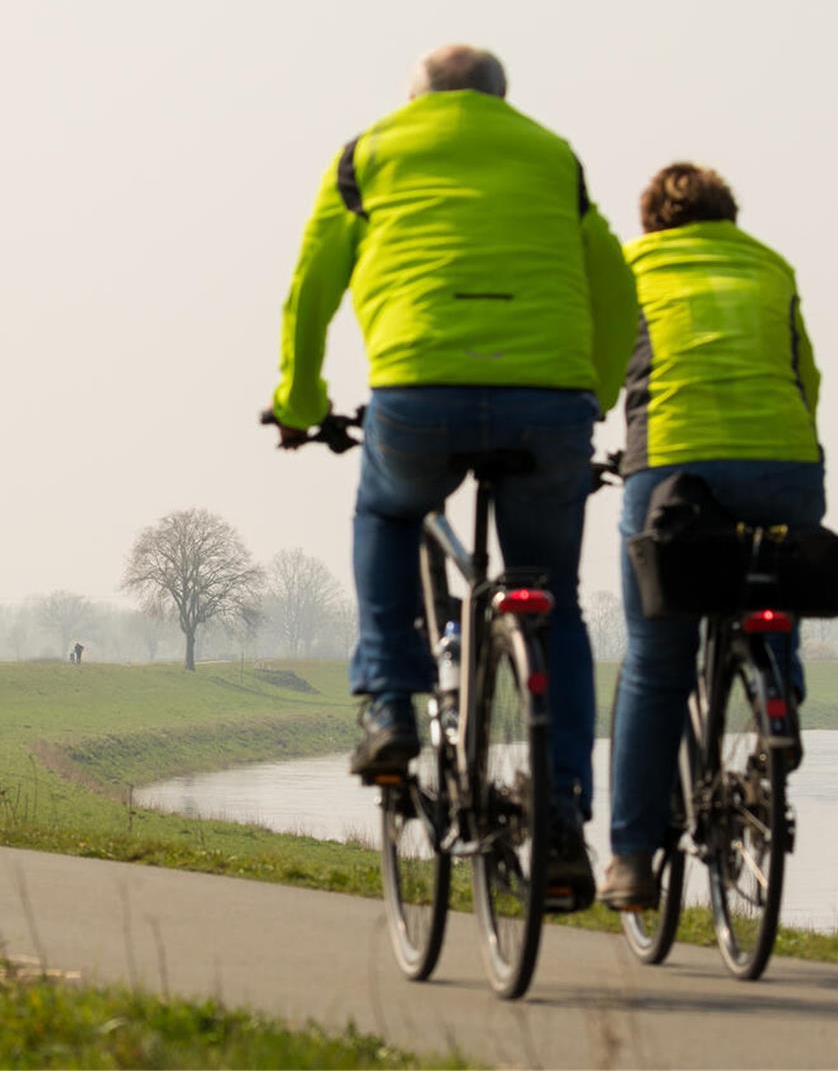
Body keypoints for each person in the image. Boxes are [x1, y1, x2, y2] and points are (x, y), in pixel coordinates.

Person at [269, 44, 637, 905]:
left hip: (419, 389)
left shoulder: (369, 153)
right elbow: (615, 285)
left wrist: (299, 400)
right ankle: (561, 819)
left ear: (417, 98)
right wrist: (595, 390)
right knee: (555, 604)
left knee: (390, 514)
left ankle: (392, 703)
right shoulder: (553, 155)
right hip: (548, 399)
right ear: (501, 99)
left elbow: (313, 282)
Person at [600, 163, 826, 909]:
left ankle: (632, 861)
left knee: (657, 661)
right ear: (729, 217)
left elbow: (602, 366)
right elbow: (806, 375)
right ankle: (777, 702)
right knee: (771, 582)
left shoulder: (633, 266)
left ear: (651, 223)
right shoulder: (772, 266)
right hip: (784, 463)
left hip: (671, 465)